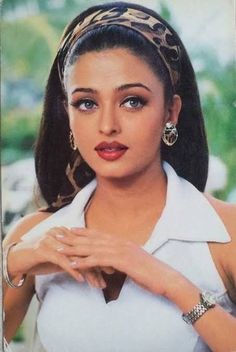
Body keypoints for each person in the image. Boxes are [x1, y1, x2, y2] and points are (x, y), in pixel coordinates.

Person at [3, 2, 236, 351]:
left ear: (170, 111)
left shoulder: (224, 233)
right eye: (86, 103)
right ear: (67, 114)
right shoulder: (37, 236)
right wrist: (14, 261)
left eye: (132, 101)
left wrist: (168, 281)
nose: (107, 125)